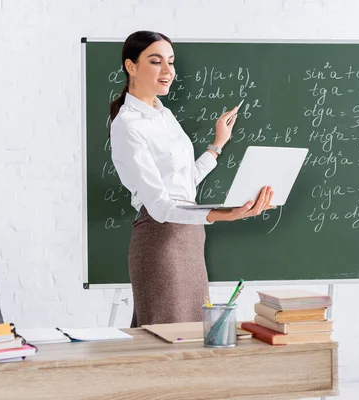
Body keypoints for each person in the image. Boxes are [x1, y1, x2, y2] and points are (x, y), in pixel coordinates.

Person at [109, 31, 274, 328]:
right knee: (167, 338)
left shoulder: (164, 114)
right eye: (156, 61)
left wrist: (217, 144)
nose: (168, 71)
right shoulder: (127, 124)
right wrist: (228, 214)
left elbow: (183, 183)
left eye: (171, 62)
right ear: (131, 66)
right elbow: (160, 206)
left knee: (193, 335)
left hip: (190, 237)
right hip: (162, 241)